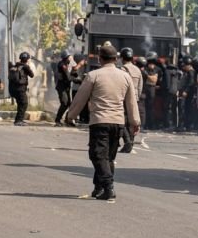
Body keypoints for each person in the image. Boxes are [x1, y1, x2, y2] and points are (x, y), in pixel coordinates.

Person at [65, 45, 140, 201]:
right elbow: (132, 102)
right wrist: (135, 122)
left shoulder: (94, 75)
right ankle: (98, 188)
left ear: (100, 58)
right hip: (118, 123)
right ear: (116, 59)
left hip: (100, 122)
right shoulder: (125, 76)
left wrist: (71, 115)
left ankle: (108, 187)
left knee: (97, 156)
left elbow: (80, 98)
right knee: (108, 158)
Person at [119, 47, 143, 153]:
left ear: (122, 58)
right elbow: (140, 86)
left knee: (122, 121)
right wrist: (136, 97)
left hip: (124, 98)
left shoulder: (122, 69)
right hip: (135, 98)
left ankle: (127, 141)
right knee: (132, 121)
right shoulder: (137, 70)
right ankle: (131, 142)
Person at [9, 52, 35, 126]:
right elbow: (32, 75)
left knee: (20, 104)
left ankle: (18, 120)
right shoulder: (25, 66)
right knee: (24, 103)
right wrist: (28, 66)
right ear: (27, 59)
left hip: (13, 89)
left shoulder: (15, 66)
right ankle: (18, 120)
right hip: (21, 88)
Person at [54, 51, 73, 126]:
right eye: (69, 57)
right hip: (61, 87)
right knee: (64, 103)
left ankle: (67, 120)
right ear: (66, 57)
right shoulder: (62, 64)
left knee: (69, 104)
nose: (70, 58)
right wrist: (77, 80)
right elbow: (68, 77)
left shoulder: (67, 64)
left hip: (66, 87)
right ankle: (57, 120)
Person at [142, 58, 160, 130]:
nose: (151, 65)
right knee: (146, 108)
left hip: (151, 90)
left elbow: (154, 79)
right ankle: (147, 124)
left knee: (151, 108)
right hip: (147, 90)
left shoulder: (155, 70)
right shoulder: (146, 70)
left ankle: (150, 124)